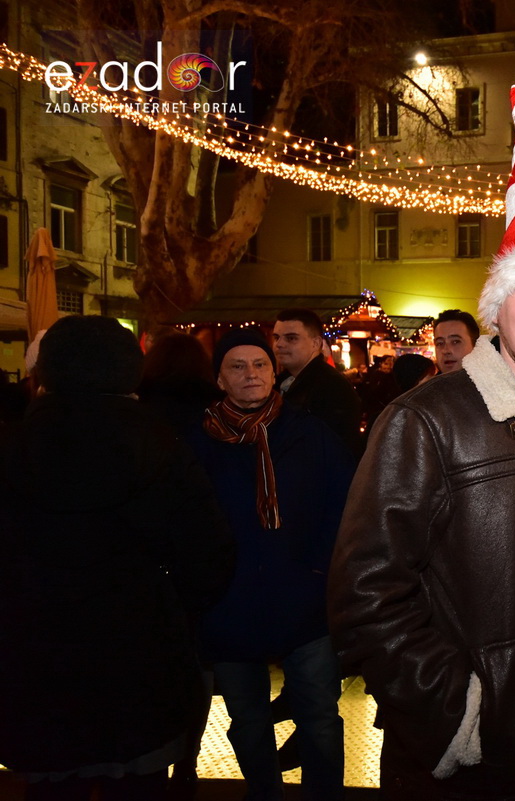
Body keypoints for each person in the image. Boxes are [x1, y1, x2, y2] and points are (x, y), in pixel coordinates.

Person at [328, 85, 515, 800]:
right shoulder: (425, 423)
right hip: (476, 770)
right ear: (497, 304)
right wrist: (461, 714)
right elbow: (364, 594)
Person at [0, 315, 234, 800]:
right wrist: (173, 608)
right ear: (130, 371)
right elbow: (207, 554)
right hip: (139, 659)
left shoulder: (13, 446)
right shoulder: (162, 446)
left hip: (36, 666)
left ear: (46, 371)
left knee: (50, 786)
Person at [187, 328, 354, 801]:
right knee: (247, 717)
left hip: (303, 600)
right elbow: (185, 520)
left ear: (274, 371)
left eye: (259, 364)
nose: (251, 374)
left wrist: (320, 569)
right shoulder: (197, 442)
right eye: (237, 366)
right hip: (229, 603)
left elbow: (342, 504)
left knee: (319, 714)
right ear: (219, 379)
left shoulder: (307, 433)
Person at [272, 308, 363, 455]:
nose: (279, 344)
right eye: (276, 337)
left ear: (316, 343)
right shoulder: (278, 382)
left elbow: (335, 449)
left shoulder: (332, 387)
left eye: (291, 338)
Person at [432, 308, 480, 374]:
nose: (446, 351)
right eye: (440, 343)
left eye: (455, 342)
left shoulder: (492, 382)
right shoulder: (430, 384)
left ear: (475, 346)